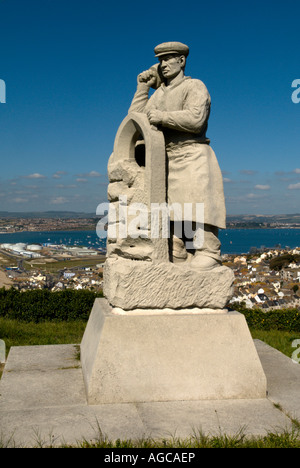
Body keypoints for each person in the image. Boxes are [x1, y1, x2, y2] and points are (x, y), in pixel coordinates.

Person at [128, 42, 226, 270]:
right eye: (160, 60)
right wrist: (143, 88)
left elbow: (196, 119)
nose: (162, 65)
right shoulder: (158, 93)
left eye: (168, 59)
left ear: (181, 61)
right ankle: (177, 249)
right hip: (165, 157)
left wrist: (162, 117)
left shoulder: (194, 86)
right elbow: (136, 121)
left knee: (197, 202)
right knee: (171, 208)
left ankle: (208, 251)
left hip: (192, 152)